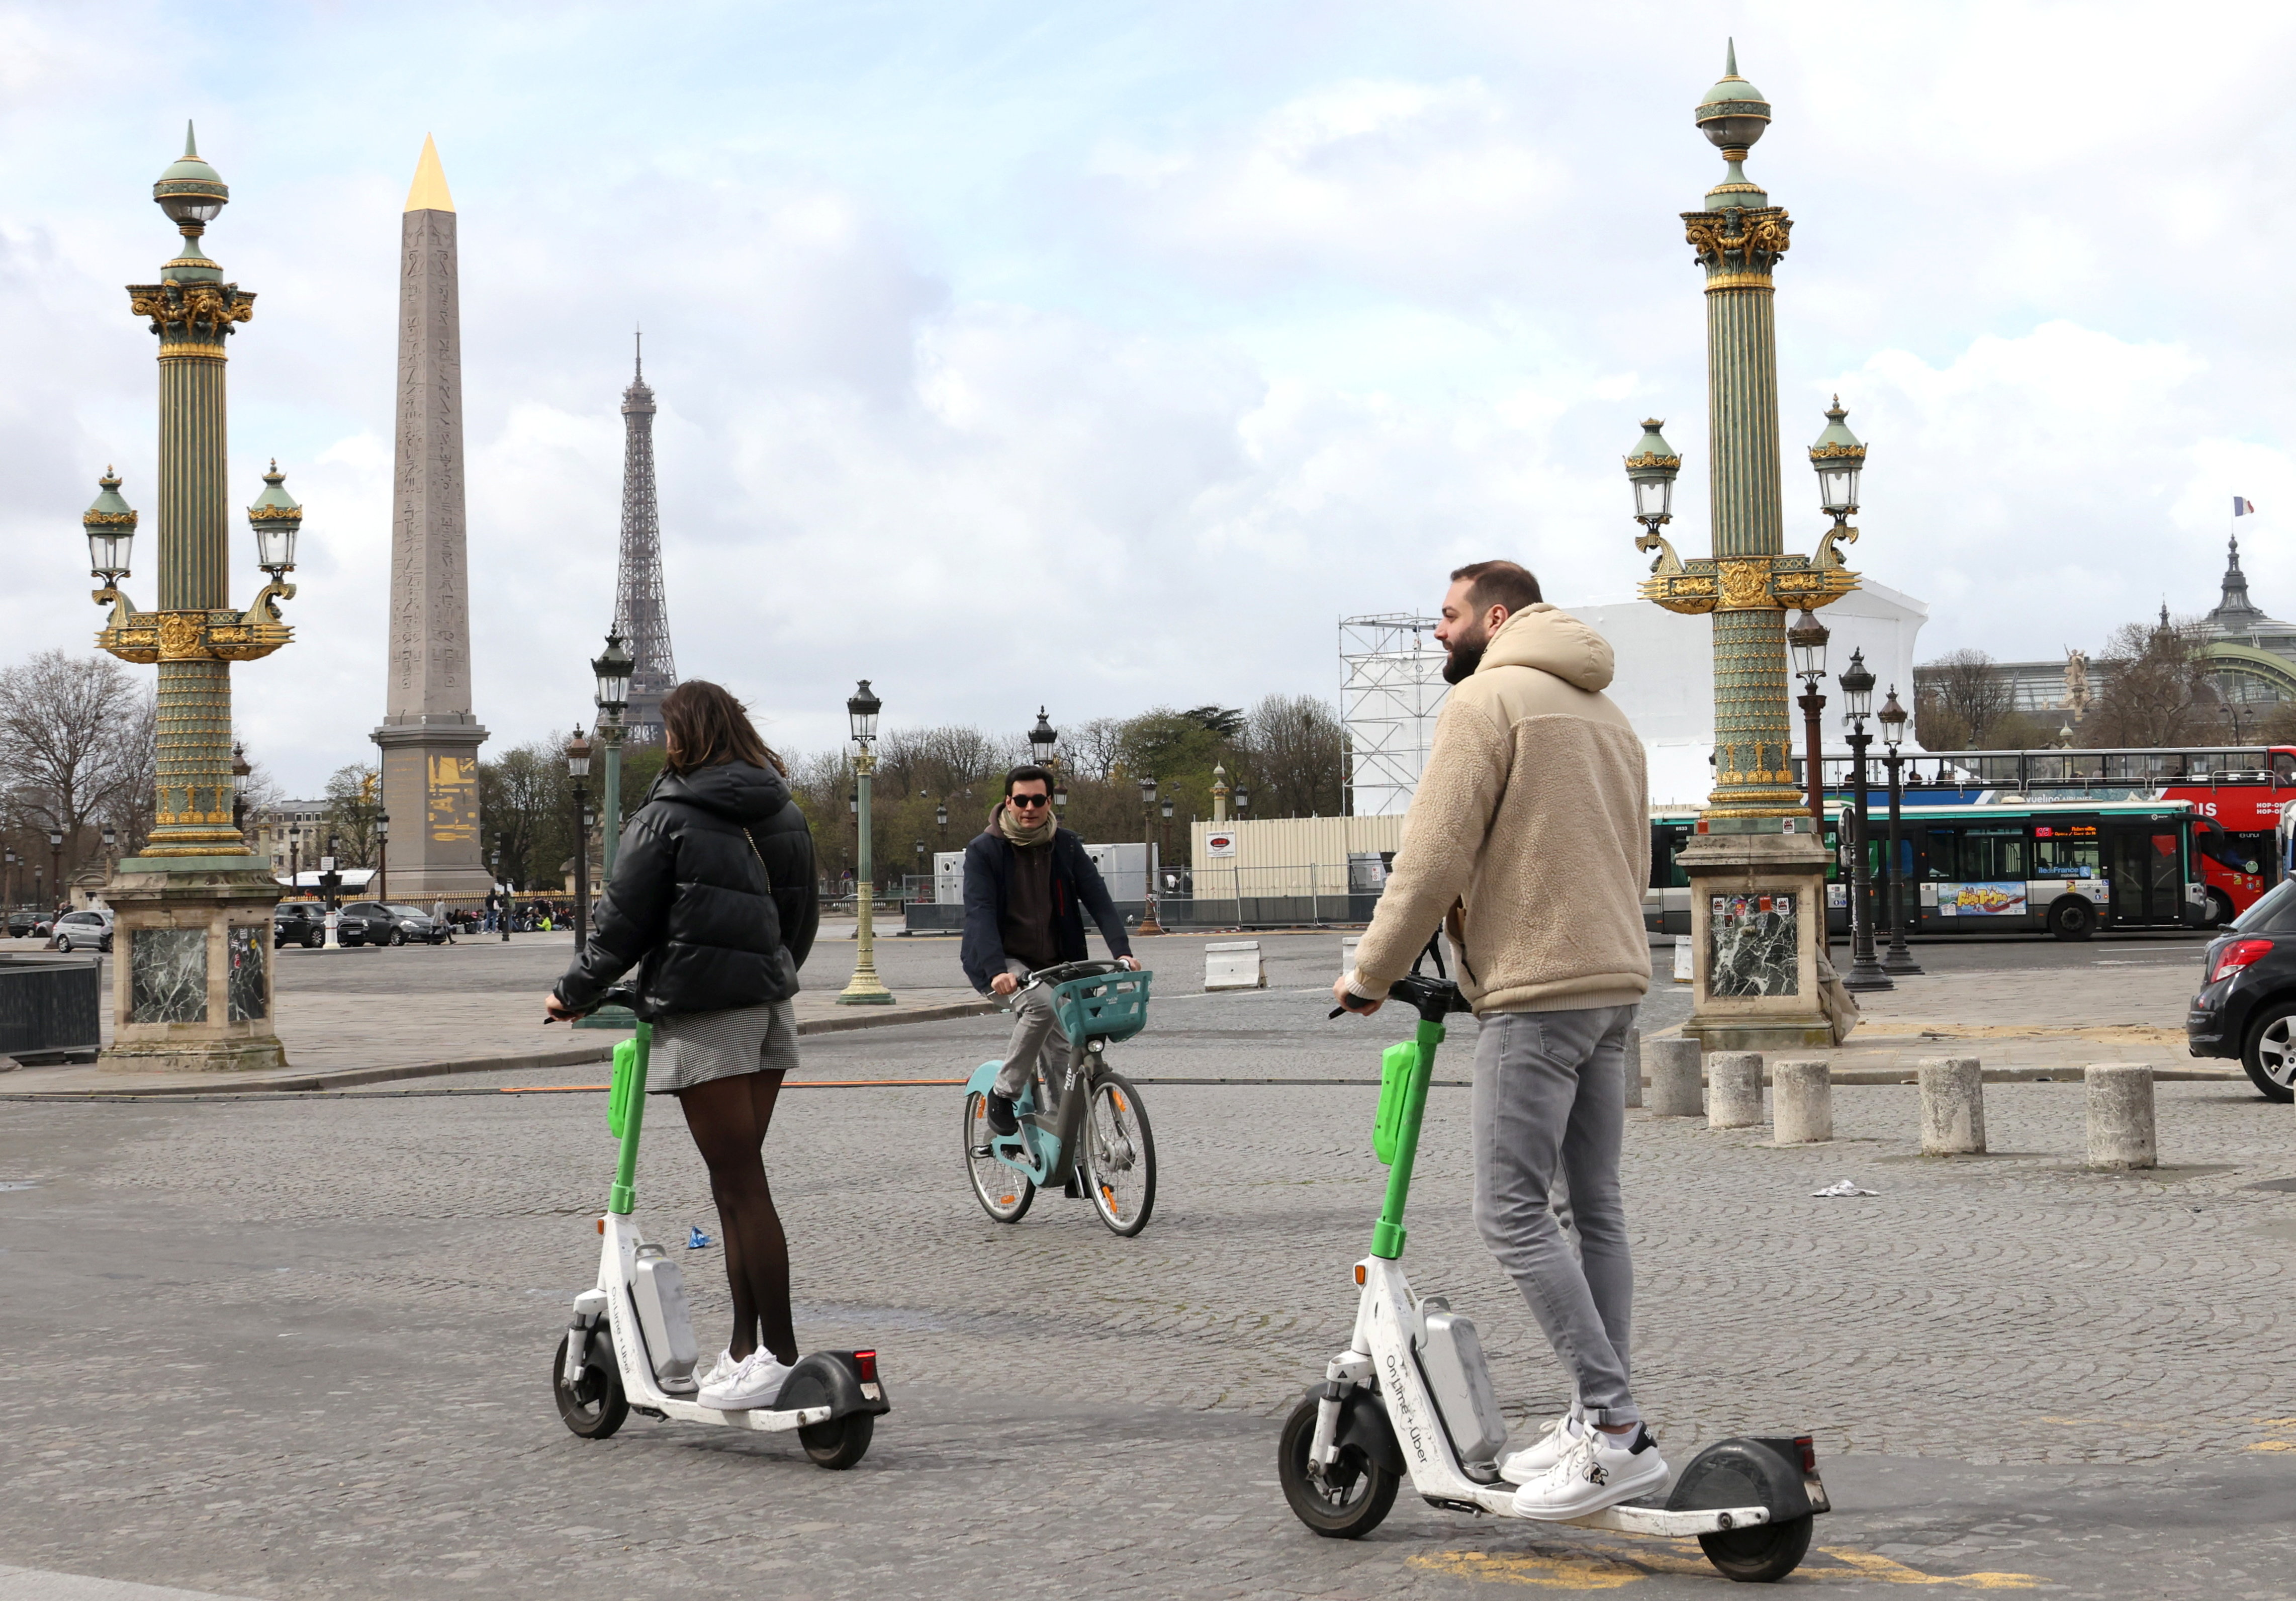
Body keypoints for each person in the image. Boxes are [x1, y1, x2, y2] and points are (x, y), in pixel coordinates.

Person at [1331, 559, 1661, 1521]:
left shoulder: (1488, 702)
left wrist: (1370, 972)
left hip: (1536, 985)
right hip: (1613, 982)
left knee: (1510, 1211)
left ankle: (1611, 1428)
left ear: (1497, 615)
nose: (1438, 632)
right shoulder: (1607, 713)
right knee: (1590, 1208)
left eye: (1447, 615)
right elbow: (1633, 851)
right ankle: (1590, 1416)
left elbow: (1432, 855)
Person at [546, 681, 820, 1412]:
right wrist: (769, 975)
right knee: (738, 1183)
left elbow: (621, 923)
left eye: (668, 732)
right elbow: (798, 916)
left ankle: (781, 1354)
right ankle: (742, 1350)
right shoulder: (782, 809)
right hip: (768, 1007)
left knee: (740, 1187)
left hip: (705, 1014)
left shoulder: (666, 815)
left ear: (683, 737)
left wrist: (571, 992)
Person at [960, 764, 1138, 1135]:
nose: (1029, 808)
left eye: (1037, 800)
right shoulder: (983, 850)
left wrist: (1122, 952)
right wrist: (997, 970)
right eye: (1021, 800)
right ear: (1008, 802)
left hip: (1057, 964)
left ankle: (1068, 1145)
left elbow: (1099, 901)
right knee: (1041, 1006)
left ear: (1049, 801)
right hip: (1000, 961)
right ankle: (1003, 1094)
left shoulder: (1067, 845)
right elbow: (980, 914)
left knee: (1063, 1053)